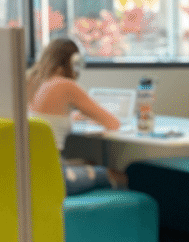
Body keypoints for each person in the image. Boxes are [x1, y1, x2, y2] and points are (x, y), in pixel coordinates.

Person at [26, 38, 121, 195]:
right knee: (116, 174)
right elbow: (113, 124)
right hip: (54, 177)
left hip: (32, 173)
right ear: (73, 61)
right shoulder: (65, 85)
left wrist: (73, 116)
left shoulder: (32, 81)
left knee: (89, 162)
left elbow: (46, 118)